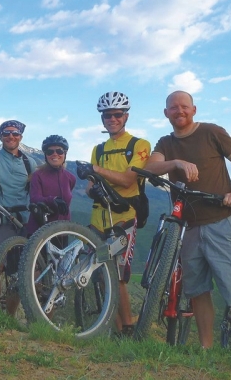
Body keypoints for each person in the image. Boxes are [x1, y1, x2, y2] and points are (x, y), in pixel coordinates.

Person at [143, 90, 231, 351]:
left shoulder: (212, 132)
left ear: (194, 110)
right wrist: (177, 163)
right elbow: (150, 168)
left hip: (221, 222)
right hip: (189, 229)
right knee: (198, 292)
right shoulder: (165, 143)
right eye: (173, 107)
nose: (179, 111)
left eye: (184, 106)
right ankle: (206, 351)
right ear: (166, 113)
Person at [78, 91, 151, 337]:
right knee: (99, 273)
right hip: (97, 220)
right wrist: (93, 189)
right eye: (107, 115)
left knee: (117, 275)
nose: (112, 119)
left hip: (124, 218)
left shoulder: (139, 145)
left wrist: (97, 171)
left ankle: (128, 326)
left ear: (125, 116)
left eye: (117, 114)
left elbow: (130, 179)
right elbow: (89, 187)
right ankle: (116, 330)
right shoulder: (98, 149)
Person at [0, 120, 38, 315]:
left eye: (15, 134)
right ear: (0, 136)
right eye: (6, 133)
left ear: (21, 137)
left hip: (23, 220)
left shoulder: (29, 162)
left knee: (18, 272)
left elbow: (36, 186)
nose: (11, 137)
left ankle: (8, 318)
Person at [26, 135, 77, 236]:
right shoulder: (38, 175)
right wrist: (53, 200)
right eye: (50, 152)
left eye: (59, 151)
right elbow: (34, 198)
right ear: (45, 155)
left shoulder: (70, 178)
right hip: (39, 230)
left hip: (62, 231)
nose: (55, 154)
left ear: (65, 154)